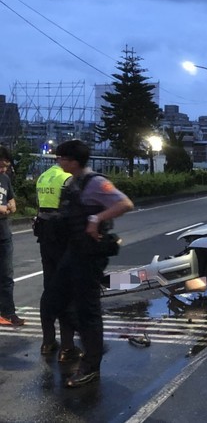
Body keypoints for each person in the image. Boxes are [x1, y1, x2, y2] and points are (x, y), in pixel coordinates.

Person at [46, 140, 133, 387]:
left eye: (61, 158)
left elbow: (125, 203)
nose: (58, 161)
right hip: (73, 251)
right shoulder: (73, 182)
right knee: (54, 300)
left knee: (88, 308)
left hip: (91, 254)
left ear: (73, 161)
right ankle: (91, 340)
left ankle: (90, 365)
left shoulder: (95, 182)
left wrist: (97, 218)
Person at [36, 163, 78, 357]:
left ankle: (48, 341)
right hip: (63, 238)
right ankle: (67, 346)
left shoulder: (42, 177)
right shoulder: (67, 179)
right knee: (67, 291)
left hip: (45, 237)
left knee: (49, 288)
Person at [0, 147, 24, 326]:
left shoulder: (5, 179)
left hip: (4, 233)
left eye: (6, 166)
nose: (4, 169)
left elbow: (12, 202)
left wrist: (9, 207)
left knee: (7, 275)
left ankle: (8, 312)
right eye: (1, 166)